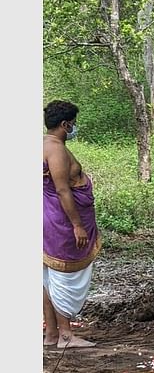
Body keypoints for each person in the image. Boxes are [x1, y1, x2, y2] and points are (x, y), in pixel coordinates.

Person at [43, 100, 100, 349]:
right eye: (74, 123)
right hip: (61, 223)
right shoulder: (55, 149)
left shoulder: (44, 144)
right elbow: (63, 189)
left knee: (46, 278)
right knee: (63, 276)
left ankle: (52, 334)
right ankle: (65, 335)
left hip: (48, 218)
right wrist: (77, 225)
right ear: (65, 124)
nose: (75, 127)